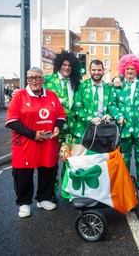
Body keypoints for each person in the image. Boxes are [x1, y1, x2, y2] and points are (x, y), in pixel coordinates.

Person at [5, 67, 66, 218]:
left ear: (43, 80)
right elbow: (12, 121)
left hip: (47, 143)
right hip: (26, 144)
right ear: (27, 80)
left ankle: (44, 198)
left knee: (48, 171)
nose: (34, 80)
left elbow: (61, 114)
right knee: (23, 175)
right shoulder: (19, 97)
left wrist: (57, 126)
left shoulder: (51, 96)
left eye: (38, 77)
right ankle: (24, 203)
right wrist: (33, 134)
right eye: (31, 77)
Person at [108, 54, 139, 198]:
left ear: (137, 70)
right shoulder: (118, 86)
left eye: (133, 69)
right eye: (127, 68)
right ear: (123, 69)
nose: (130, 71)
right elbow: (111, 105)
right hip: (124, 131)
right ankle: (126, 185)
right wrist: (118, 116)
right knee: (124, 160)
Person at [43, 50, 81, 200]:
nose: (67, 68)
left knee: (70, 162)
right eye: (64, 64)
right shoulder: (47, 81)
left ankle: (67, 190)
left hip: (70, 131)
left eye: (70, 65)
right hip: (53, 130)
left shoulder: (76, 82)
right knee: (51, 163)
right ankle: (51, 192)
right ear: (59, 65)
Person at [73, 59, 112, 143]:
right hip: (83, 130)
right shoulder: (81, 86)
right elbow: (77, 108)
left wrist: (109, 115)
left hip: (102, 131)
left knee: (100, 156)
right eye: (94, 70)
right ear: (89, 71)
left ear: (103, 71)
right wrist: (91, 119)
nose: (96, 72)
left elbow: (112, 106)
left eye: (99, 70)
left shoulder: (108, 88)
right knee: (83, 155)